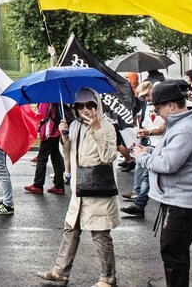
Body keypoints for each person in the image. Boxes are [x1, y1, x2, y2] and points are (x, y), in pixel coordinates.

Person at [36, 88, 119, 287]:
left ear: (97, 105)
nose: (85, 110)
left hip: (98, 190)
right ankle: (60, 271)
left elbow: (109, 157)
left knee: (100, 234)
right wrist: (64, 138)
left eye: (89, 105)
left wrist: (97, 129)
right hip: (79, 189)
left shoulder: (107, 127)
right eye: (80, 106)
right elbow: (68, 156)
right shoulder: (74, 126)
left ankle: (108, 278)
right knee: (70, 230)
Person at [131, 81, 192, 286]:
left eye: (158, 108)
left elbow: (168, 164)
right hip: (177, 199)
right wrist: (149, 152)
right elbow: (167, 154)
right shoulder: (180, 125)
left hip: (182, 202)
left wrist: (141, 158)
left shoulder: (184, 129)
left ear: (171, 105)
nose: (157, 113)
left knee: (173, 254)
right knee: (174, 252)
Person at [122, 81, 166, 217]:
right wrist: (144, 131)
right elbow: (148, 123)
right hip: (152, 143)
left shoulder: (163, 104)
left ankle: (139, 204)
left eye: (147, 95)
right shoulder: (149, 105)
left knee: (147, 175)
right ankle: (138, 198)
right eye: (143, 97)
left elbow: (165, 126)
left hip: (160, 143)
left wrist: (149, 132)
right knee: (142, 168)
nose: (146, 98)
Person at [25, 103, 67, 195]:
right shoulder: (58, 99)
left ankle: (38, 185)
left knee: (41, 159)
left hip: (49, 133)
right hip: (57, 132)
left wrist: (35, 113)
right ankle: (59, 185)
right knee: (56, 160)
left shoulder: (45, 100)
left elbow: (42, 114)